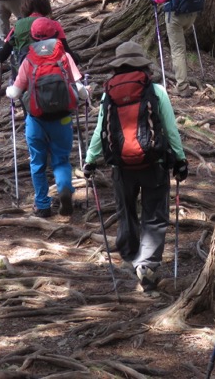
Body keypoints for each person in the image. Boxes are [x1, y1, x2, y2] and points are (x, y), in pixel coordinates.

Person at [82, 41, 187, 292]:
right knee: (154, 214)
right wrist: (180, 159)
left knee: (125, 210)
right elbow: (170, 129)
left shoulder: (109, 93)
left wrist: (90, 160)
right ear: (142, 64)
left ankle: (130, 254)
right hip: (154, 163)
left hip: (121, 166)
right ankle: (147, 264)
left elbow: (100, 131)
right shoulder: (156, 90)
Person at [5, 17, 87, 218]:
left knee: (37, 162)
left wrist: (8, 90)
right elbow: (80, 89)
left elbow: (15, 93)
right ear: (55, 34)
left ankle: (42, 205)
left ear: (32, 36)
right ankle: (65, 188)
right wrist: (85, 94)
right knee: (61, 160)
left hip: (36, 119)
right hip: (62, 118)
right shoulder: (64, 56)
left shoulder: (29, 59)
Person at [153, 0, 198, 98]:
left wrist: (156, 0)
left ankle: (183, 88)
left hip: (174, 16)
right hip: (191, 14)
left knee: (178, 50)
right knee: (181, 48)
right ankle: (185, 80)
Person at [0, 0, 78, 71]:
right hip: (52, 72)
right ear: (45, 6)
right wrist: (77, 58)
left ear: (25, 7)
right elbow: (67, 52)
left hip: (26, 74)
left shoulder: (18, 26)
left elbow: (2, 57)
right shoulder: (54, 25)